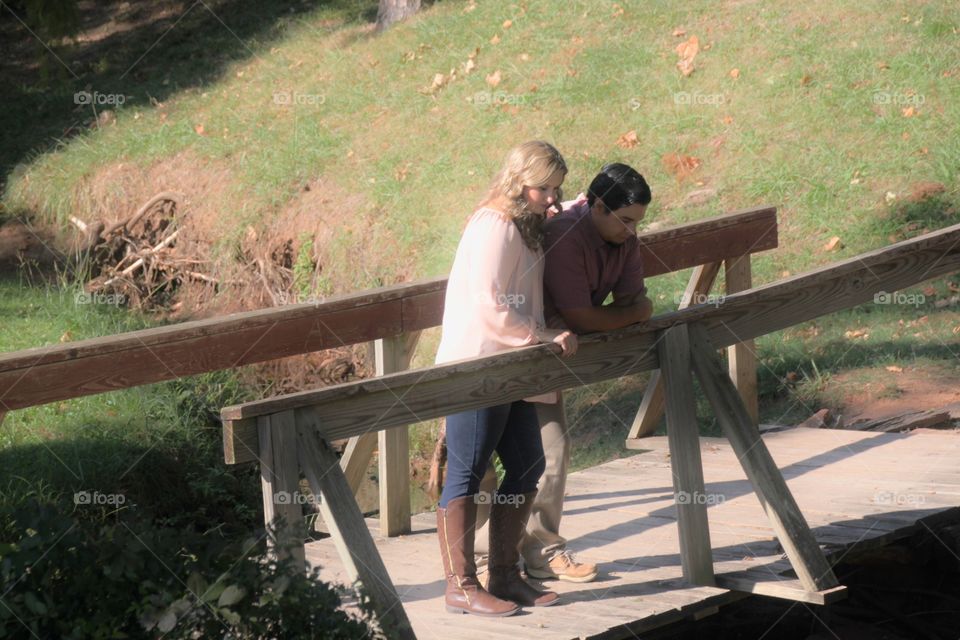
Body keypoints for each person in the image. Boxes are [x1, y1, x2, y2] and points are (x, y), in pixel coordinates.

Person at [474, 162, 653, 583]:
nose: (631, 231)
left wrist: (624, 312)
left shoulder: (625, 239)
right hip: (499, 352)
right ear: (596, 206)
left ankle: (543, 551)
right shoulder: (561, 234)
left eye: (636, 223)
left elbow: (636, 302)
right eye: (625, 221)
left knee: (552, 452)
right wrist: (624, 314)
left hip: (545, 358)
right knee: (481, 462)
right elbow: (583, 317)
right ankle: (484, 560)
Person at [434, 141, 578, 617]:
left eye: (558, 190)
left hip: (511, 363)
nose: (552, 199)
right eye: (545, 190)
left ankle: (504, 575)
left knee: (527, 464)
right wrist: (544, 336)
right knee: (467, 472)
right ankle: (460, 586)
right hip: (479, 365)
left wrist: (575, 208)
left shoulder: (522, 220)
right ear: (520, 182)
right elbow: (489, 304)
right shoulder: (494, 225)